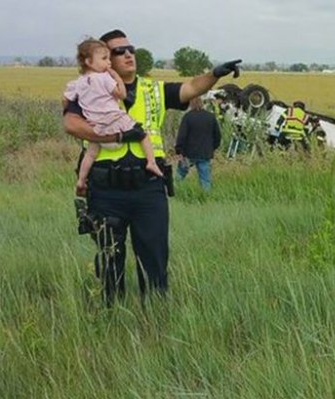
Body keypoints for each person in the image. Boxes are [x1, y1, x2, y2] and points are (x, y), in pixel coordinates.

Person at [63, 29, 241, 305]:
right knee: (109, 259)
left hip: (149, 188)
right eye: (118, 51)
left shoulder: (153, 89)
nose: (128, 54)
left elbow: (192, 87)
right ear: (103, 59)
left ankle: (155, 319)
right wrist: (118, 136)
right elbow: (71, 124)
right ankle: (110, 317)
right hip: (106, 189)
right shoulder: (89, 87)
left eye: (130, 49)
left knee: (154, 259)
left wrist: (215, 74)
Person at [64, 38, 162, 196]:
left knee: (90, 154)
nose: (108, 63)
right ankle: (151, 163)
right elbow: (121, 94)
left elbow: (66, 100)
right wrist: (116, 78)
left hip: (97, 127)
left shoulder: (77, 83)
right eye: (104, 59)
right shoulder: (104, 78)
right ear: (89, 61)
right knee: (142, 135)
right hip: (115, 121)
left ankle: (81, 180)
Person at [175, 97, 221, 191]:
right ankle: (205, 197)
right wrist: (212, 147)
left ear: (191, 104)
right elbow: (218, 135)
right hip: (205, 153)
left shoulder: (188, 117)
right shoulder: (210, 117)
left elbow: (182, 136)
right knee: (205, 179)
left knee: (180, 175)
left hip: (188, 153)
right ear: (202, 103)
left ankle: (174, 193)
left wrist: (179, 150)